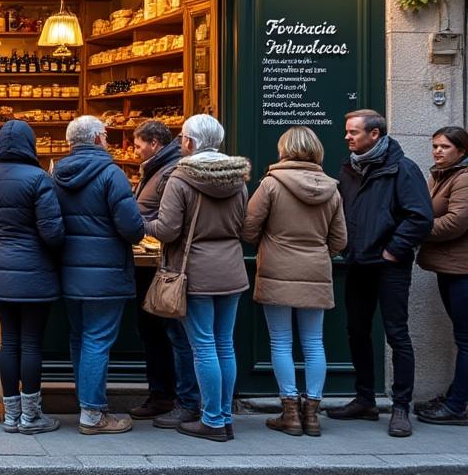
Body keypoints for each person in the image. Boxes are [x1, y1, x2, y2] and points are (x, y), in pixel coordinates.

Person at [145, 114, 249, 443]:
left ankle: (213, 419)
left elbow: (167, 229)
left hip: (195, 272)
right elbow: (244, 225)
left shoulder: (181, 177)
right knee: (224, 345)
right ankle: (225, 416)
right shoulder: (238, 177)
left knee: (203, 347)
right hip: (231, 268)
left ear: (189, 142)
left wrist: (141, 224)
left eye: (182, 138)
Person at [329, 109, 432, 437]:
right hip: (357, 263)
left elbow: (420, 217)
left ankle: (401, 407)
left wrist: (393, 250)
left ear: (375, 134)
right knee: (356, 330)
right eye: (347, 132)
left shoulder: (402, 169)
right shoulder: (349, 169)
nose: (347, 137)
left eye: (353, 132)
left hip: (390, 266)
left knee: (396, 334)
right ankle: (364, 400)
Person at [242, 126, 346, 437]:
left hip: (276, 269)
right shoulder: (332, 188)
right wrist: (316, 253)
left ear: (284, 149)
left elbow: (249, 228)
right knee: (314, 343)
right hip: (315, 272)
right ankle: (312, 414)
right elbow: (339, 240)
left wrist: (270, 246)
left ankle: (289, 412)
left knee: (281, 342)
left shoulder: (271, 184)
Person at [51, 115, 144, 435]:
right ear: (97, 139)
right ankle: (92, 414)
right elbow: (132, 229)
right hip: (105, 274)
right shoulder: (111, 174)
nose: (107, 140)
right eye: (105, 135)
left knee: (80, 337)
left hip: (69, 270)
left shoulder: (55, 173)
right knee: (97, 339)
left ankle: (86, 403)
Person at [0, 120, 64, 434]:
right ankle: (31, 416)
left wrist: (0, 246)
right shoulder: (40, 178)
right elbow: (52, 233)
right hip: (36, 272)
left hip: (0, 270)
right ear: (29, 144)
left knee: (8, 342)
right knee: (31, 344)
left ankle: (10, 415)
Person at [127, 120, 200, 429]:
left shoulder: (170, 171)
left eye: (138, 143)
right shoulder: (158, 167)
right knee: (155, 330)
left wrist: (134, 223)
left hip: (166, 264)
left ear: (154, 143)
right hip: (157, 263)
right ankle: (163, 395)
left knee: (174, 334)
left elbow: (169, 221)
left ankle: (183, 400)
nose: (135, 148)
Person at [414, 125, 468, 426]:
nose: (437, 151)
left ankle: (457, 405)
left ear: (461, 151)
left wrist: (416, 230)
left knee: (465, 338)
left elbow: (456, 222)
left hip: (463, 270)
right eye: (435, 145)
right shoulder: (439, 175)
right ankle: (455, 397)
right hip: (451, 267)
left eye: (445, 147)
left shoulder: (464, 179)